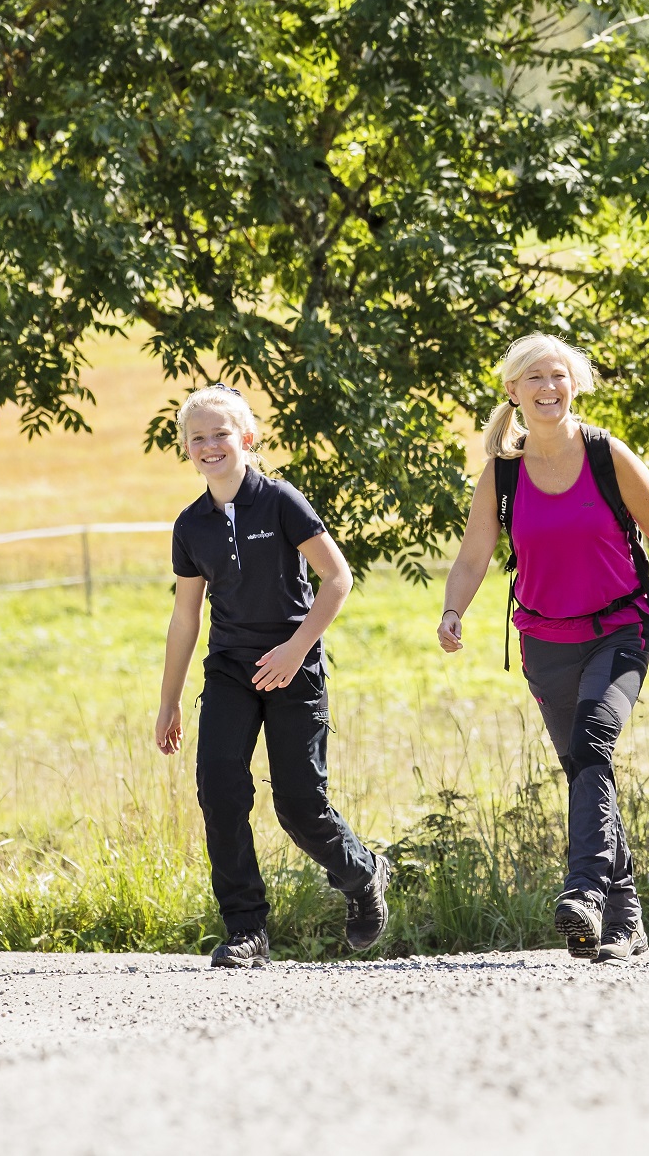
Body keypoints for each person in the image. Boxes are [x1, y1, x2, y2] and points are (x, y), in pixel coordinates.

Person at [437, 334, 649, 964]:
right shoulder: (503, 473)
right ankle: (625, 920)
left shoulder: (605, 454)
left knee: (594, 741)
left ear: (575, 384)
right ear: (513, 391)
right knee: (586, 770)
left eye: (558, 375)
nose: (548, 388)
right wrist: (453, 610)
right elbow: (473, 555)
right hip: (544, 641)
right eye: (534, 378)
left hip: (619, 630)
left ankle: (585, 891)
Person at [154, 384, 391, 968]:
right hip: (230, 670)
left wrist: (295, 649)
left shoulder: (281, 500)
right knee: (220, 792)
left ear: (247, 438)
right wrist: (169, 702)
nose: (210, 446)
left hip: (293, 666)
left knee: (299, 804)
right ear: (185, 448)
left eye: (221, 434)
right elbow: (185, 618)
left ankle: (362, 875)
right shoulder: (191, 525)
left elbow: (337, 578)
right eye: (197, 438)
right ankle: (246, 930)